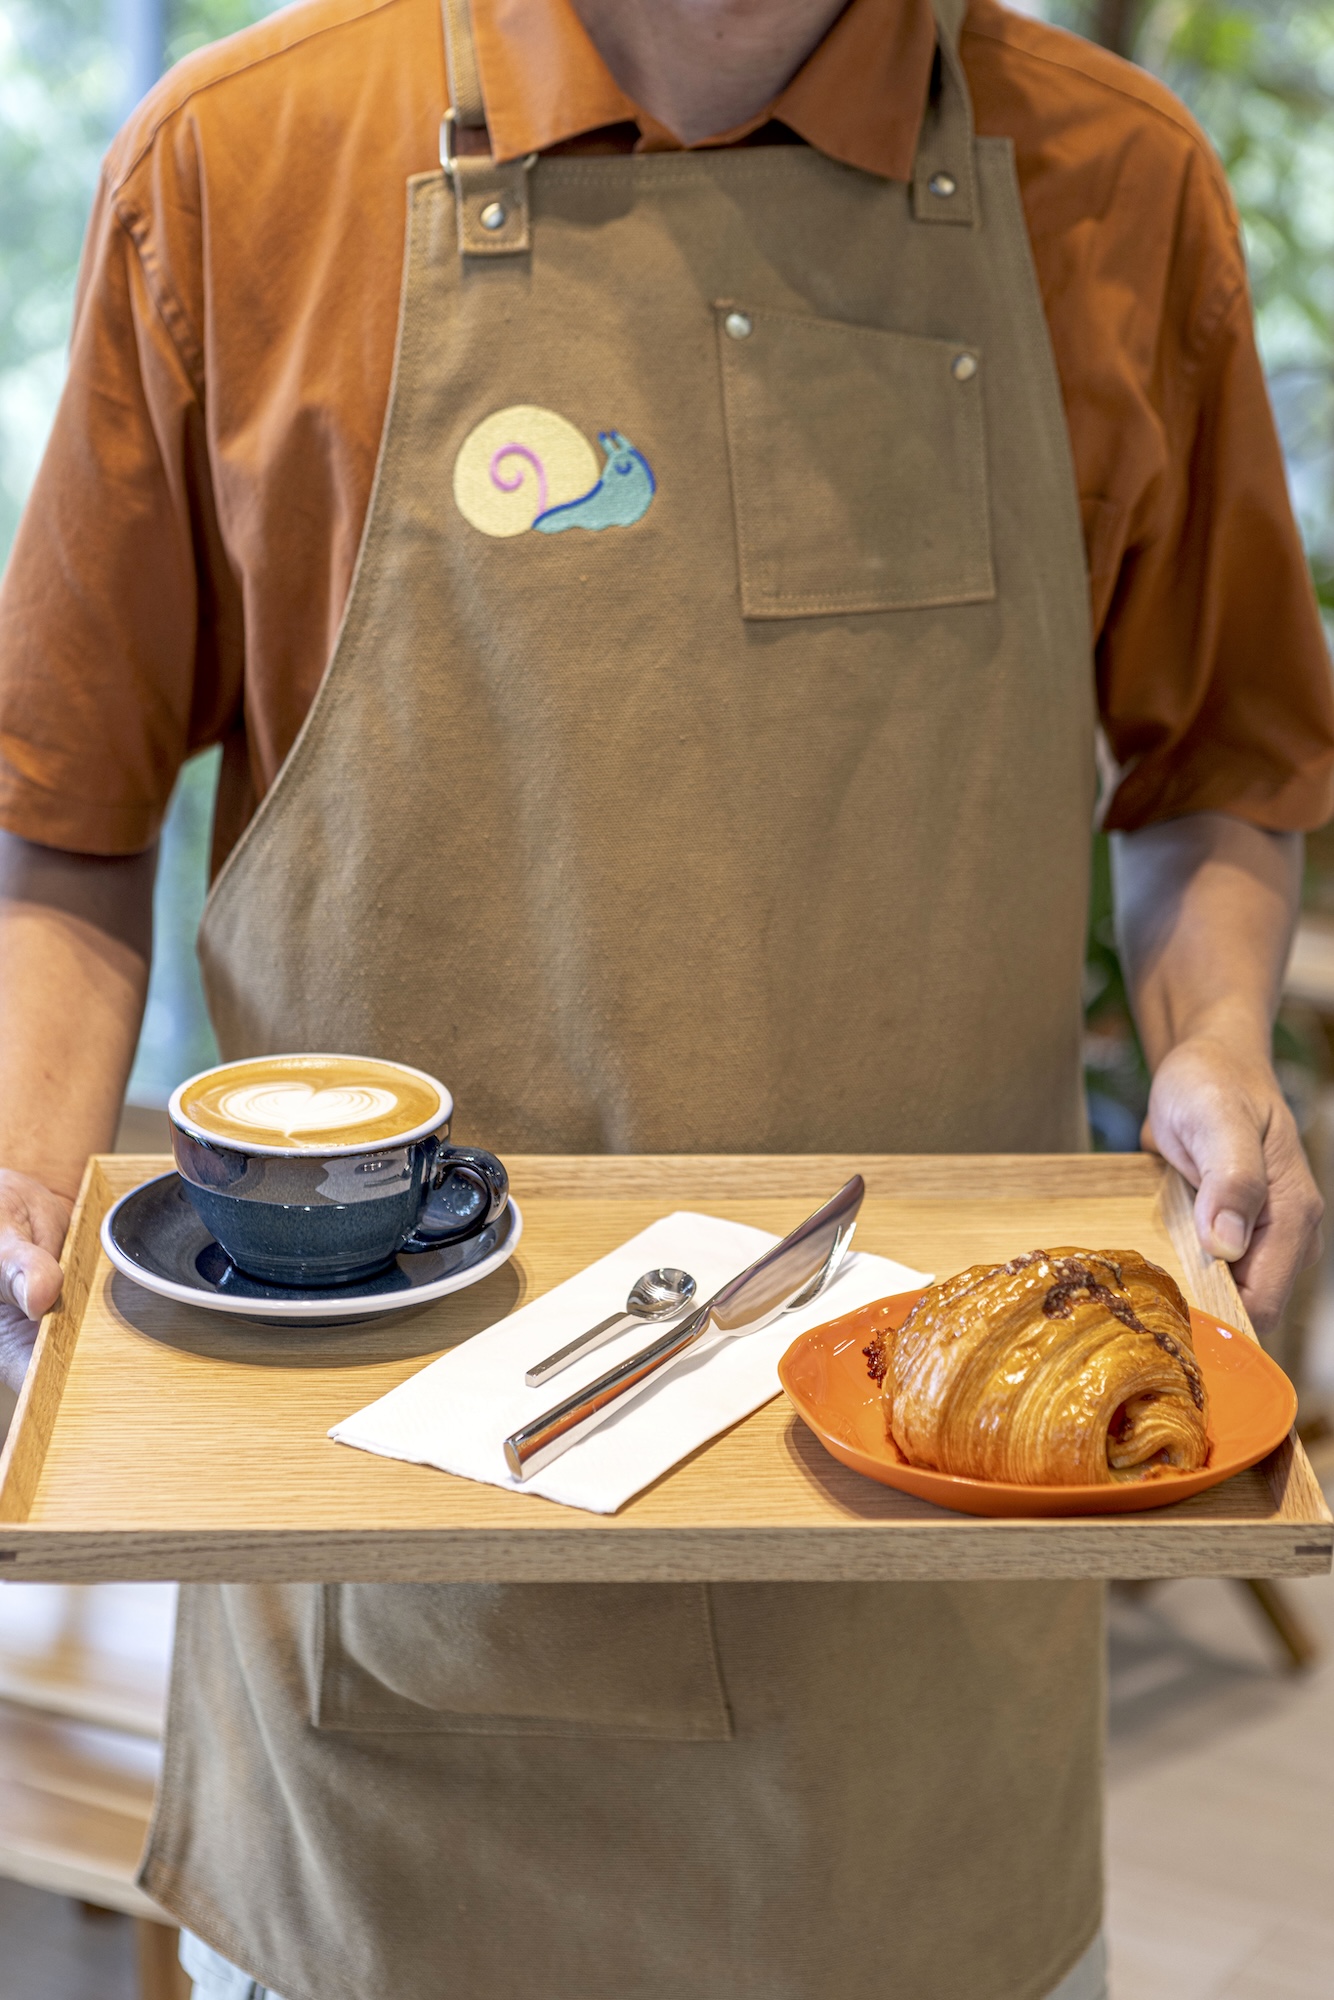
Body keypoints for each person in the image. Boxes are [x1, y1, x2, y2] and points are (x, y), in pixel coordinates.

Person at [0, 0, 1330, 1994]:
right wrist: (30, 1168)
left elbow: (1218, 760)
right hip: (394, 1640)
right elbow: (67, 811)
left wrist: (1217, 1041)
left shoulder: (1113, 184)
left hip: (913, 1655)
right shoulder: (239, 169)